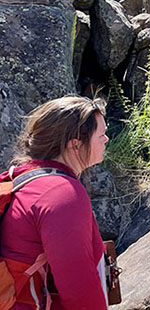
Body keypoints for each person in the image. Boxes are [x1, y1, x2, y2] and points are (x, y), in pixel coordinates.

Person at [0, 96, 110, 310]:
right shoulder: (62, 194)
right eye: (101, 134)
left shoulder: (19, 178)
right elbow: (79, 289)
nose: (106, 140)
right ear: (75, 145)